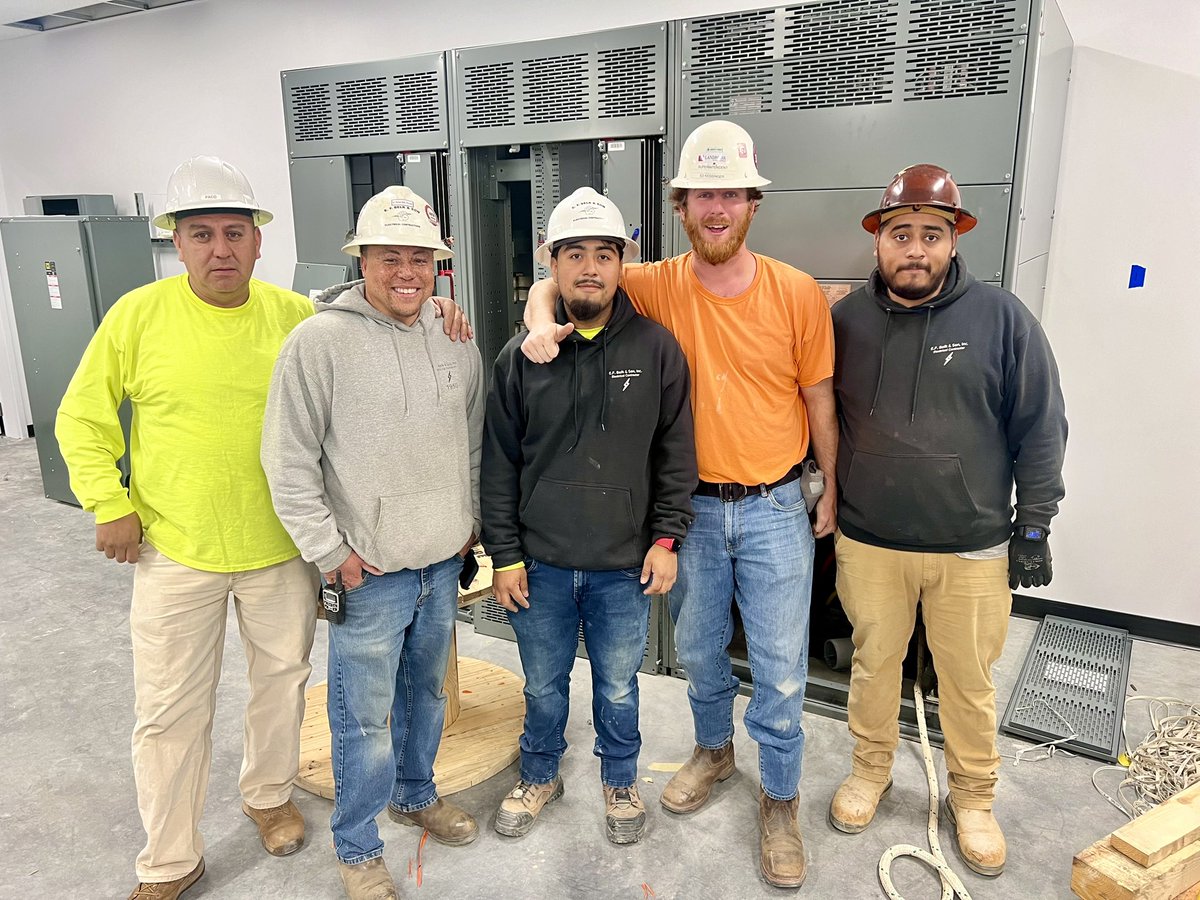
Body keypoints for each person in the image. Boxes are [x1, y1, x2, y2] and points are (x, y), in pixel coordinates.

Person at [522, 121, 837, 889]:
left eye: (732, 194)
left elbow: (820, 400)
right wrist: (537, 317)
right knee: (700, 655)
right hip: (690, 513)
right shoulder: (657, 281)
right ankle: (713, 752)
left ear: (752, 205)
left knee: (781, 671)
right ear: (682, 208)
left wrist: (834, 488)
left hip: (773, 508)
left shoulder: (795, 292)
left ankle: (781, 800)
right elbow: (566, 275)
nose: (718, 208)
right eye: (704, 196)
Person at [55, 156, 318, 900]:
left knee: (282, 686)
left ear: (259, 241)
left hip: (279, 548)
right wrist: (109, 501)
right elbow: (82, 416)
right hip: (175, 550)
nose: (221, 249)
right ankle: (170, 859)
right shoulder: (138, 316)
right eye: (201, 234)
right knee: (169, 708)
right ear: (177, 240)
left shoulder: (296, 319)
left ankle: (268, 797)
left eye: (235, 232)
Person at [827, 164, 1067, 878]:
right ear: (877, 241)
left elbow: (1042, 427)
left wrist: (1035, 526)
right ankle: (870, 773)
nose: (915, 250)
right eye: (901, 234)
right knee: (873, 669)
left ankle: (974, 799)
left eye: (932, 235)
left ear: (954, 241)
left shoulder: (1002, 319)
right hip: (870, 540)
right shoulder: (843, 323)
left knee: (968, 681)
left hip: (972, 547)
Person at [261, 185, 483, 900]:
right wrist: (330, 553)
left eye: (421, 257)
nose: (408, 272)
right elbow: (287, 461)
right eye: (391, 257)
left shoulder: (454, 338)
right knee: (361, 718)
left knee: (423, 694)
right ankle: (357, 846)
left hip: (439, 564)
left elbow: (471, 445)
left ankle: (415, 794)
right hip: (369, 573)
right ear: (362, 260)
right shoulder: (318, 343)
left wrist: (469, 523)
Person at [482, 188, 697, 846]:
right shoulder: (521, 359)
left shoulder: (658, 350)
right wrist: (505, 555)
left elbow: (676, 454)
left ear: (621, 265)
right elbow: (497, 465)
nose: (590, 267)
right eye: (574, 253)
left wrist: (666, 538)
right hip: (540, 565)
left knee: (620, 686)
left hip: (622, 566)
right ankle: (541, 772)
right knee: (543, 686)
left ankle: (621, 778)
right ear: (553, 264)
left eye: (604, 254)